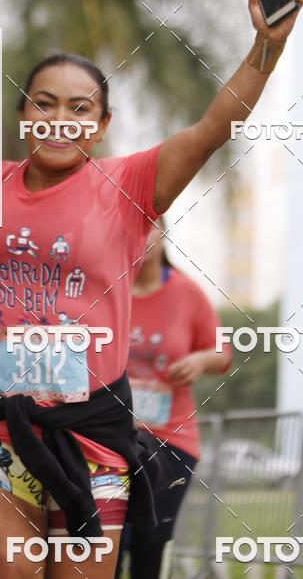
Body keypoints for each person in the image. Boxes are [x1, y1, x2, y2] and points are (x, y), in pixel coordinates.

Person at [0, 0, 303, 578]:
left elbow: (213, 127)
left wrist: (267, 46)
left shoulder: (129, 187)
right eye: (44, 104)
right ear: (22, 115)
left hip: (92, 427)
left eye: (79, 108)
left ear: (101, 126)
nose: (59, 119)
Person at [115, 217, 231, 579]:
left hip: (170, 442)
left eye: (150, 226)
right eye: (135, 226)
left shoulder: (187, 293)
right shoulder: (108, 291)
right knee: (111, 540)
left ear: (163, 233)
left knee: (151, 541)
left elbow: (222, 354)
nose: (143, 235)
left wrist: (199, 360)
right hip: (110, 440)